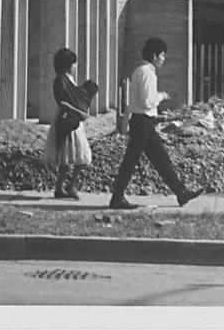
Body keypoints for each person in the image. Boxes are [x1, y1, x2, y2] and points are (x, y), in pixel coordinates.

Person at [109, 37, 205, 210]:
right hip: (142, 122)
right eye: (162, 55)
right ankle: (117, 197)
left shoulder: (143, 71)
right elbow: (147, 101)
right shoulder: (146, 72)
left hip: (143, 122)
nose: (163, 58)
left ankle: (181, 192)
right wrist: (161, 96)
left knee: (160, 158)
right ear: (154, 55)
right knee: (132, 160)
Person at [42, 48, 94, 199]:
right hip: (66, 119)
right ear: (68, 65)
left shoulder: (68, 79)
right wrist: (79, 112)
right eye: (73, 64)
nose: (75, 67)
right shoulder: (60, 81)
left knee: (71, 155)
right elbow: (62, 101)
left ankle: (65, 187)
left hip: (73, 119)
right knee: (77, 154)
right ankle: (66, 187)